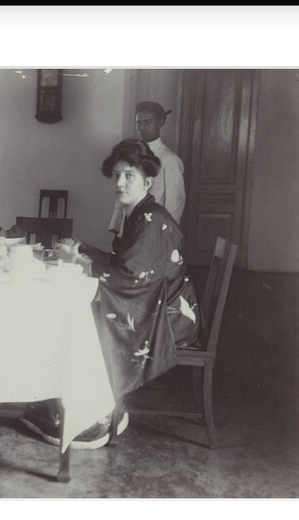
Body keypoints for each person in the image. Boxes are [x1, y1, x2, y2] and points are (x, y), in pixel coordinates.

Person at [20, 139, 201, 449]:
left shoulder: (152, 221)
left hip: (168, 318)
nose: (119, 183)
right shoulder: (138, 214)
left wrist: (79, 261)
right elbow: (125, 263)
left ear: (148, 181)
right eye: (116, 175)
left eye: (129, 175)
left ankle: (97, 415)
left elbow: (129, 278)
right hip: (154, 301)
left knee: (84, 321)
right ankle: (81, 404)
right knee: (80, 313)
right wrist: (85, 249)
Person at [108, 101, 186, 235]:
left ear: (160, 123)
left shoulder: (170, 160)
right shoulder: (131, 155)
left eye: (148, 123)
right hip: (126, 230)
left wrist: (163, 236)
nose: (142, 128)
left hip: (151, 232)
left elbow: (175, 204)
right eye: (139, 123)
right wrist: (116, 227)